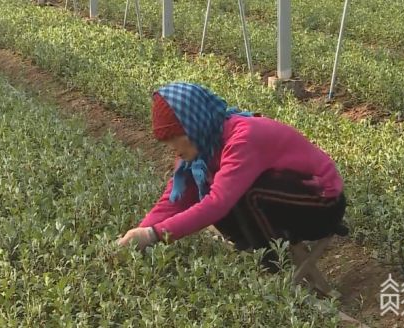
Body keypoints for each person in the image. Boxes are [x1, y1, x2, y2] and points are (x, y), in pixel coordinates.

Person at [117, 82, 348, 298]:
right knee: (219, 192)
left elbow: (217, 203)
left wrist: (155, 235)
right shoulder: (204, 148)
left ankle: (274, 269)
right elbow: (174, 201)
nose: (174, 148)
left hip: (322, 204)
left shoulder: (243, 138)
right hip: (284, 199)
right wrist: (142, 232)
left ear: (194, 125)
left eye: (176, 138)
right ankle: (257, 253)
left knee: (241, 195)